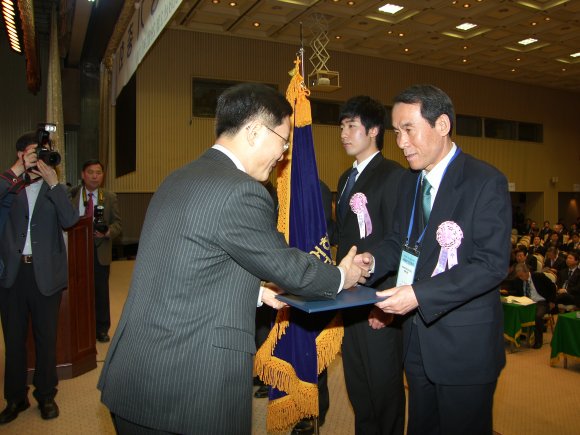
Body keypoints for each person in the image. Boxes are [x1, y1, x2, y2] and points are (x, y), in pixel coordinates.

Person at [97, 83, 366, 435]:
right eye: (283, 141)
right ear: (254, 132)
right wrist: (341, 276)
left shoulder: (178, 177)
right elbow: (288, 267)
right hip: (184, 389)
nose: (283, 154)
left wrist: (255, 292)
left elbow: (184, 264)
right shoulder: (241, 191)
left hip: (135, 375)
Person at [355, 85, 511, 435]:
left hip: (464, 347)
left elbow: (490, 265)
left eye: (409, 129)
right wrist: (371, 260)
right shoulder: (410, 183)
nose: (401, 142)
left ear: (442, 125)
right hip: (416, 340)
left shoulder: (485, 182)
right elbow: (400, 241)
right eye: (397, 131)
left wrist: (418, 295)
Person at [336, 95, 405, 434]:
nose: (344, 134)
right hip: (349, 300)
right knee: (359, 388)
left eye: (352, 126)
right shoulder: (344, 179)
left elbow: (399, 242)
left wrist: (387, 304)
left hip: (379, 302)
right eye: (341, 126)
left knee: (384, 393)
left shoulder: (394, 176)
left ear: (374, 130)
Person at [0, 132, 79, 424]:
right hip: (13, 275)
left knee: (46, 339)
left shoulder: (56, 188)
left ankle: (46, 395)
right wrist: (17, 170)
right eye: (34, 152)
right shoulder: (9, 185)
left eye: (43, 153)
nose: (40, 158)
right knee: (14, 340)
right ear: (21, 154)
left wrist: (54, 183)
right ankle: (15, 398)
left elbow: (70, 220)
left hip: (45, 275)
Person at [71, 160, 122, 343]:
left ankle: (101, 328)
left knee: (101, 292)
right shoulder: (72, 194)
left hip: (100, 250)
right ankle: (80, 327)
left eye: (98, 172)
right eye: (90, 172)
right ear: (83, 174)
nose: (94, 176)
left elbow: (118, 224)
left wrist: (107, 232)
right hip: (77, 250)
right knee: (78, 291)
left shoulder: (108, 197)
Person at [511, 263, 556, 348]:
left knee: (537, 316)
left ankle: (538, 340)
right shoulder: (518, 280)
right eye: (519, 276)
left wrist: (552, 301)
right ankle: (521, 334)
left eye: (521, 275)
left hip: (541, 301)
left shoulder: (538, 276)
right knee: (515, 311)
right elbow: (516, 292)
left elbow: (552, 286)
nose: (520, 278)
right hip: (526, 302)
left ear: (527, 271)